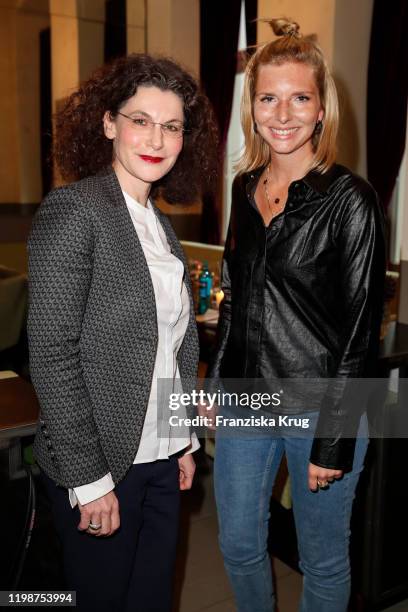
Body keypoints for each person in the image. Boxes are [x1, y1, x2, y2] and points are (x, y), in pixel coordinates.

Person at [27, 53, 218, 612]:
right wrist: (90, 481)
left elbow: (170, 348)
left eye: (172, 125)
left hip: (160, 459)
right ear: (109, 123)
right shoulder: (75, 210)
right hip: (102, 463)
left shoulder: (161, 228)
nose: (156, 137)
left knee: (152, 598)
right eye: (140, 120)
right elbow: (53, 354)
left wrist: (180, 441)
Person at [207, 18, 385, 612]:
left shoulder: (349, 199)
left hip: (320, 406)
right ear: (251, 107)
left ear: (320, 109)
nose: (282, 113)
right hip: (247, 402)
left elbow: (361, 331)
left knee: (323, 561)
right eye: (268, 97)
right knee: (236, 544)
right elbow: (234, 293)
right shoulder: (243, 187)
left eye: (299, 97)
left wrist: (333, 442)